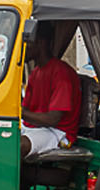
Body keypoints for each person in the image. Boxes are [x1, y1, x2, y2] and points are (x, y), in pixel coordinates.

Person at [20, 25, 81, 157]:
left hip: (57, 132)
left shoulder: (61, 73)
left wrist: (19, 112)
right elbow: (26, 111)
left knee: (17, 146)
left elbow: (53, 119)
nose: (23, 48)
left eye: (27, 42)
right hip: (36, 127)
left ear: (40, 42)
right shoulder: (35, 73)